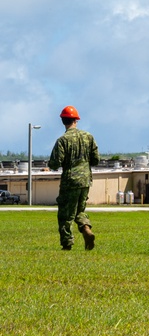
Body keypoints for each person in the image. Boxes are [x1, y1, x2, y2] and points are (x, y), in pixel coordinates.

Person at [47, 105, 100, 251]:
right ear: (76, 120)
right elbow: (96, 160)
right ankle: (86, 229)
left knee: (66, 214)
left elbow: (55, 163)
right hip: (85, 181)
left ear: (63, 121)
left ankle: (67, 243)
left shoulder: (62, 140)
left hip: (70, 181)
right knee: (80, 211)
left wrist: (52, 164)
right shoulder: (88, 137)